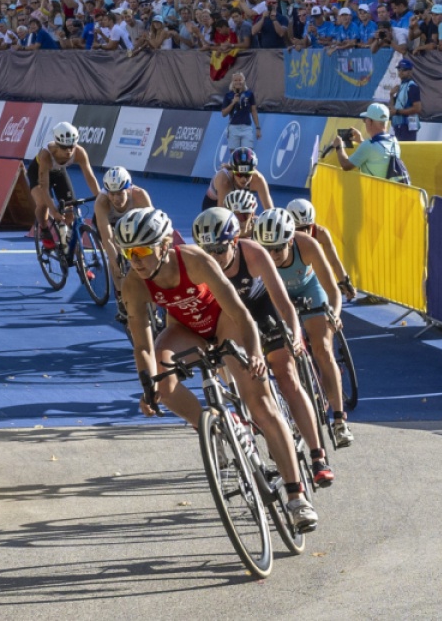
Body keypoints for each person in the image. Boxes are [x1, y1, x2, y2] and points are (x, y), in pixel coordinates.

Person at [113, 208, 319, 530]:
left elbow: (241, 313)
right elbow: (142, 345)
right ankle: (218, 427)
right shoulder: (134, 284)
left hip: (225, 321)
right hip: (186, 330)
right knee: (163, 385)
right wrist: (147, 385)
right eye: (128, 253)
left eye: (141, 250)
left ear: (164, 245)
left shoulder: (195, 260)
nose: (135, 261)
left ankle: (297, 497)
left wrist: (255, 353)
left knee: (261, 404)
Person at [193, 208, 333, 486]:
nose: (214, 258)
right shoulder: (198, 264)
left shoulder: (254, 254)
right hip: (229, 319)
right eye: (208, 251)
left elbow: (283, 302)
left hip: (261, 309)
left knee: (286, 374)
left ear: (234, 242)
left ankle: (318, 455)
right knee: (238, 383)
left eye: (220, 250)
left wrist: (294, 336)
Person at [253, 208, 354, 448]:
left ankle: (339, 420)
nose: (272, 255)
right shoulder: (255, 253)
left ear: (290, 241)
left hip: (309, 288)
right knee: (282, 354)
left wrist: (334, 314)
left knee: (323, 347)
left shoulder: (307, 245)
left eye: (278, 248)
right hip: (278, 295)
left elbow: (332, 290)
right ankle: (295, 408)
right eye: (267, 249)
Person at [27, 122, 102, 252]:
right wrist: (54, 211)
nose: (68, 151)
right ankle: (44, 229)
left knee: (70, 209)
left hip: (59, 172)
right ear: (57, 145)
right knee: (43, 204)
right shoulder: (46, 155)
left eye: (71, 147)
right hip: (38, 173)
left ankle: (66, 241)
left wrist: (100, 199)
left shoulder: (79, 152)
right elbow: (44, 187)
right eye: (64, 147)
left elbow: (90, 177)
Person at [94, 167, 153, 319]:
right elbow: (107, 238)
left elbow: (152, 227)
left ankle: (152, 307)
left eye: (120, 193)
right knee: (116, 259)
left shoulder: (140, 195)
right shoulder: (101, 202)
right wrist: (115, 262)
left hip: (134, 223)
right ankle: (120, 296)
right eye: (112, 194)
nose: (116, 199)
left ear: (128, 189)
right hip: (111, 225)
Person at [286, 199, 355, 300]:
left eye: (308, 227)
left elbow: (334, 261)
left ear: (313, 224)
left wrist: (344, 281)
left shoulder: (321, 233)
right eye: (299, 229)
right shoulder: (284, 236)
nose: (305, 232)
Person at [330, 103, 403, 180]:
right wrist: (361, 141)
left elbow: (346, 165)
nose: (364, 122)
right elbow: (377, 154)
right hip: (390, 187)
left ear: (371, 121)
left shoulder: (368, 145)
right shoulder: (394, 141)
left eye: (365, 119)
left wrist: (339, 146)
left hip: (373, 187)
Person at [204, 147, 274, 210]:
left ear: (253, 171)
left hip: (238, 203)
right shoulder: (224, 180)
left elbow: (270, 210)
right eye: (239, 174)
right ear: (232, 171)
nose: (243, 179)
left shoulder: (258, 179)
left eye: (247, 174)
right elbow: (221, 215)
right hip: (213, 205)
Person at [223, 73, 261, 150]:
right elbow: (224, 113)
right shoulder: (228, 95)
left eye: (240, 80)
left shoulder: (249, 94)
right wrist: (233, 103)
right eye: (235, 80)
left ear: (244, 81)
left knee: (248, 152)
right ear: (232, 82)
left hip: (246, 127)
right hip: (233, 127)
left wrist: (257, 128)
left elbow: (253, 111)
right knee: (234, 153)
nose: (238, 82)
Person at [390, 59, 423, 141]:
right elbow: (392, 109)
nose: (400, 72)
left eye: (404, 69)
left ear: (410, 72)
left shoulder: (412, 87)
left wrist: (397, 112)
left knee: (407, 148)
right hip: (399, 125)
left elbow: (417, 108)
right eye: (399, 69)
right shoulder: (401, 86)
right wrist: (391, 95)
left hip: (408, 126)